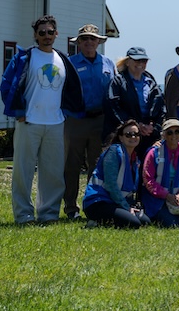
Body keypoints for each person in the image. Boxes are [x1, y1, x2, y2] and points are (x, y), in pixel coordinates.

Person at [0, 14, 84, 225]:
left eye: (50, 32)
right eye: (42, 33)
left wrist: (67, 112)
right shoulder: (24, 58)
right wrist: (18, 111)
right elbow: (6, 85)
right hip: (28, 122)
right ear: (35, 36)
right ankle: (24, 215)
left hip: (55, 124)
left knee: (53, 174)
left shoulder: (63, 59)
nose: (46, 36)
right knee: (23, 172)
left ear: (56, 34)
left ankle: (48, 214)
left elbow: (71, 89)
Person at [64, 23, 115, 220]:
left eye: (92, 39)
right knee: (72, 166)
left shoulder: (108, 64)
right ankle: (70, 208)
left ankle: (93, 205)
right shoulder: (70, 63)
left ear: (98, 42)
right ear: (79, 43)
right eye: (84, 39)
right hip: (76, 120)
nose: (89, 42)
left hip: (100, 121)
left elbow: (114, 91)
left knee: (97, 166)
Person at [82, 119, 151, 229]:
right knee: (134, 224)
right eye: (128, 135)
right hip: (98, 202)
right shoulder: (114, 153)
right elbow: (111, 185)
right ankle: (95, 222)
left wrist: (130, 206)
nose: (133, 137)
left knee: (145, 222)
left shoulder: (134, 158)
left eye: (136, 134)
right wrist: (126, 208)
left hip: (115, 202)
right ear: (121, 138)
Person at [104, 47, 165, 152]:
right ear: (127, 62)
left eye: (144, 60)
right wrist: (134, 125)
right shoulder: (117, 82)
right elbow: (112, 107)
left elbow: (161, 108)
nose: (140, 63)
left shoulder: (151, 82)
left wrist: (153, 127)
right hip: (125, 137)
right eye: (137, 60)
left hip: (149, 136)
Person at [141, 118, 179, 228]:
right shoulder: (154, 153)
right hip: (158, 199)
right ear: (163, 135)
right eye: (169, 132)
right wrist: (166, 195)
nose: (173, 135)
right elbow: (148, 180)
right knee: (173, 225)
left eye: (177, 131)